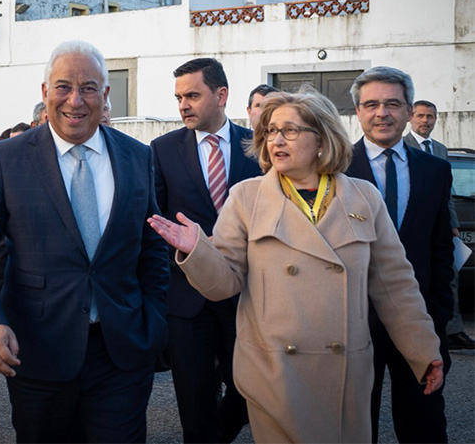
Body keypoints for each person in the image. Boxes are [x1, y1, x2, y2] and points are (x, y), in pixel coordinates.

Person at [148, 90, 444, 443]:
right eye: (271, 131)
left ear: (322, 138)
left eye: (290, 130)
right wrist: (198, 250)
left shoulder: (364, 197)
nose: (276, 140)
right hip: (274, 373)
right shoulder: (246, 197)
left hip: (345, 373)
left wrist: (424, 351)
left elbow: (395, 286)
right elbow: (223, 282)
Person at [0, 40, 169, 443]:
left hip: (121, 352)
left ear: (105, 96)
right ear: (44, 92)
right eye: (63, 87)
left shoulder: (136, 156)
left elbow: (152, 245)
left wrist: (154, 321)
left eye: (89, 87)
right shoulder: (7, 158)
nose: (75, 100)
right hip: (37, 350)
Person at [344, 67, 455, 443]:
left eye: (393, 103)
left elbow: (441, 249)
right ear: (357, 112)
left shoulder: (435, 170)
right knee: (355, 426)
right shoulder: (335, 168)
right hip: (353, 322)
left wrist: (439, 315)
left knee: (423, 423)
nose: (382, 113)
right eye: (371, 104)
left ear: (409, 111)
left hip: (418, 321)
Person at [150, 57, 257, 443]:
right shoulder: (162, 150)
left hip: (246, 297)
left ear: (221, 95)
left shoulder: (256, 147)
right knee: (193, 400)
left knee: (250, 390)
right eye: (179, 97)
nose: (183, 105)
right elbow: (155, 224)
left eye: (193, 95)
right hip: (187, 302)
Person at [404, 99, 472, 350]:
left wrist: (453, 225)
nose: (425, 121)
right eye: (420, 116)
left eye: (430, 116)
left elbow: (447, 192)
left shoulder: (441, 149)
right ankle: (414, 332)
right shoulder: (401, 146)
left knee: (448, 276)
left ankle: (452, 331)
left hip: (440, 226)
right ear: (411, 117)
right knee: (412, 278)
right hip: (412, 225)